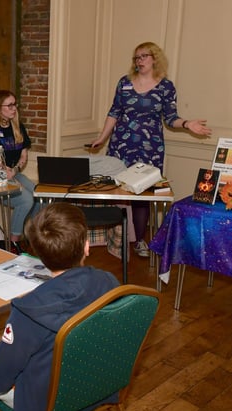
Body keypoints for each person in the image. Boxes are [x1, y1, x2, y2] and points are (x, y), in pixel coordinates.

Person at [0, 203, 120, 411]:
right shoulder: (109, 283)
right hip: (97, 387)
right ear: (86, 247)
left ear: (39, 256)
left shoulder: (29, 311)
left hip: (44, 404)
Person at [90, 41, 212, 257]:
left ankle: (138, 241)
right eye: (136, 57)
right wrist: (102, 138)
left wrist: (187, 124)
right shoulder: (124, 83)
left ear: (155, 58)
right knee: (117, 192)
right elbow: (114, 112)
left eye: (144, 56)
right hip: (121, 145)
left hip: (150, 148)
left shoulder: (166, 86)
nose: (139, 61)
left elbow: (171, 118)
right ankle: (116, 240)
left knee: (142, 195)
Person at [0, 89, 38, 249]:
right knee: (26, 199)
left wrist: (15, 171)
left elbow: (24, 156)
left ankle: (36, 236)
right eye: (9, 105)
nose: (14, 108)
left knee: (39, 195)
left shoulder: (18, 127)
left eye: (15, 104)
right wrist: (9, 173)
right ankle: (13, 243)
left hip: (13, 172)